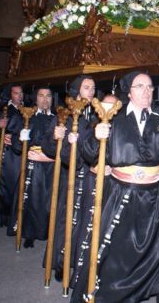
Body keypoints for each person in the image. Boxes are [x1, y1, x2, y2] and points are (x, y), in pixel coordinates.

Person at [71, 60, 159, 303]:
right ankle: (114, 292)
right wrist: (96, 136)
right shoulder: (114, 117)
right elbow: (89, 154)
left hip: (156, 193)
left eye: (150, 86)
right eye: (140, 86)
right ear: (128, 92)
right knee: (118, 248)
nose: (146, 91)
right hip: (122, 193)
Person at [43, 75, 99, 285]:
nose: (91, 91)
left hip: (90, 176)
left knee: (85, 221)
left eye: (93, 88)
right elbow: (50, 148)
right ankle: (60, 262)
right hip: (71, 176)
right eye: (87, 87)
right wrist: (56, 137)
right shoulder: (64, 114)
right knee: (66, 220)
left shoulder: (97, 113)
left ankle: (79, 263)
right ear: (77, 90)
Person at [8, 86, 57, 247]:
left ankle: (47, 231)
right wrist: (21, 139)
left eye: (48, 96)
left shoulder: (59, 119)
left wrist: (50, 158)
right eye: (41, 96)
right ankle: (29, 233)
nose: (45, 99)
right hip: (32, 165)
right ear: (36, 99)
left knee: (49, 201)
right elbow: (16, 146)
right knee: (30, 199)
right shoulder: (28, 118)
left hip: (51, 166)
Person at [0, 84, 24, 228]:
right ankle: (6, 216)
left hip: (25, 150)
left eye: (21, 93)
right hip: (10, 154)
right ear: (10, 94)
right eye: (16, 93)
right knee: (8, 184)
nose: (19, 96)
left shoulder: (28, 108)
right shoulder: (4, 109)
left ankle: (20, 217)